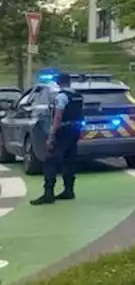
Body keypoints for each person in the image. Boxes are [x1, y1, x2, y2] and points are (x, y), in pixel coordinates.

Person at [30, 72, 83, 205]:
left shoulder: (62, 97)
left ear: (59, 83)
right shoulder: (77, 96)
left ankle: (48, 193)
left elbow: (58, 116)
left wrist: (52, 136)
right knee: (69, 160)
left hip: (63, 130)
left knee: (50, 160)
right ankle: (69, 190)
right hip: (75, 130)